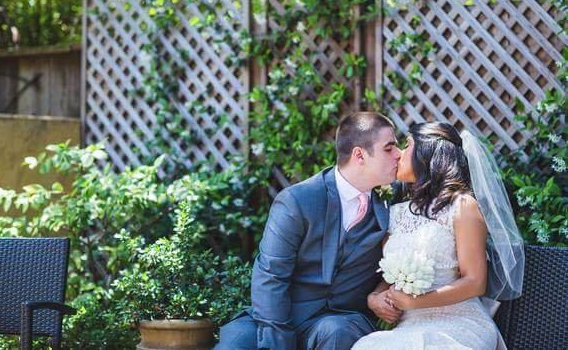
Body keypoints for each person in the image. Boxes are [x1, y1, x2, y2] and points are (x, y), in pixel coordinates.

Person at [214, 112, 403, 350]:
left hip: (339, 323)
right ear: (359, 155)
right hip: (281, 319)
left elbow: (396, 267)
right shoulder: (298, 201)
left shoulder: (392, 207)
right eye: (389, 148)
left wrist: (376, 296)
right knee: (237, 343)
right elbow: (271, 276)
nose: (399, 154)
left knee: (336, 332)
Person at [352, 122, 525, 350]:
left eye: (407, 145)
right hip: (409, 326)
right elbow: (390, 273)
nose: (399, 154)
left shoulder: (463, 206)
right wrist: (375, 297)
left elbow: (475, 282)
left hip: (460, 323)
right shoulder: (395, 213)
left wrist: (416, 301)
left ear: (428, 152)